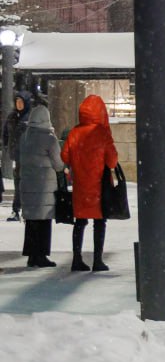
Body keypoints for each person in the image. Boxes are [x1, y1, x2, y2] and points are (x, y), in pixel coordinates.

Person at [61, 94, 119, 272]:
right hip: (99, 186)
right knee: (99, 222)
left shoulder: (74, 132)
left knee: (80, 221)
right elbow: (112, 161)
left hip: (81, 185)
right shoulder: (102, 133)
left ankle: (77, 258)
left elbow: (65, 156)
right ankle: (97, 260)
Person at [18, 101, 63, 268]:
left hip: (28, 185)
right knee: (44, 222)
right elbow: (58, 164)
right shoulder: (49, 139)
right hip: (44, 187)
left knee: (31, 222)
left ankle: (31, 255)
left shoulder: (25, 137)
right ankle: (41, 255)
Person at [4, 91, 31, 221]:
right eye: (17, 102)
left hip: (28, 157)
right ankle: (17, 209)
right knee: (18, 183)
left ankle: (22, 209)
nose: (19, 104)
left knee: (24, 184)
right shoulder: (12, 117)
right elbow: (6, 132)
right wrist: (7, 144)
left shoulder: (29, 117)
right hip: (17, 155)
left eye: (21, 102)